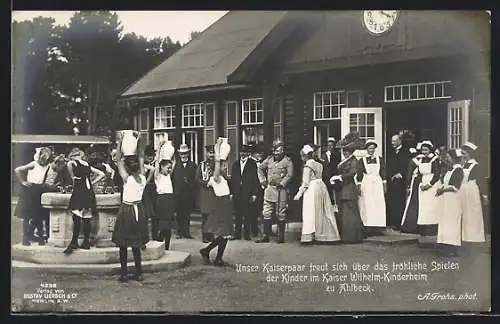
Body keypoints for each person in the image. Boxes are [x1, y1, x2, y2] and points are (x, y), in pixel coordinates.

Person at [112, 134, 150, 282]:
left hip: (127, 210)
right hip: (138, 210)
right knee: (135, 244)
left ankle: (123, 273)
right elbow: (141, 157)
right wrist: (140, 142)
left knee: (123, 244)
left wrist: (120, 141)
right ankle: (138, 273)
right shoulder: (143, 178)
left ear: (127, 168)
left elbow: (117, 159)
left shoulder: (126, 179)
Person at [294, 145, 340, 244]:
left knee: (310, 211)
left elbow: (305, 182)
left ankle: (309, 236)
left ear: (305, 156)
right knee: (321, 211)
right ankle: (322, 234)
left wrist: (299, 194)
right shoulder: (319, 164)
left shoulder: (308, 165)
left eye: (302, 156)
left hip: (312, 188)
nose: (302, 158)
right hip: (321, 186)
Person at [63, 148, 106, 254]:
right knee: (87, 216)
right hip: (89, 191)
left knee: (77, 216)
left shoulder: (72, 163)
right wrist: (93, 182)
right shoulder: (87, 165)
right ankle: (86, 242)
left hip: (79, 191)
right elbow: (102, 174)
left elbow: (73, 178)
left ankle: (74, 241)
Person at [199, 138, 234, 266]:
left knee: (226, 235)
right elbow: (218, 161)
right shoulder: (216, 178)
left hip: (225, 204)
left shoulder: (223, 178)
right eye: (223, 165)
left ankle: (212, 254)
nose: (225, 166)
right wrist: (218, 147)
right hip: (221, 206)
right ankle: (209, 252)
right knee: (224, 234)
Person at [256, 140, 294, 243]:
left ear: (283, 150)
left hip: (281, 190)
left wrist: (283, 183)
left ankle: (280, 236)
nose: (277, 153)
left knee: (280, 213)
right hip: (269, 189)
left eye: (279, 150)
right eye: (275, 150)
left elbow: (290, 174)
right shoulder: (269, 160)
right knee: (266, 212)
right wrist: (263, 181)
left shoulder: (287, 161)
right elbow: (260, 169)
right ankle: (266, 236)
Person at [14, 147, 53, 246]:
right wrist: (23, 181)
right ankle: (25, 238)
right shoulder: (33, 164)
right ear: (40, 157)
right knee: (27, 216)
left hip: (38, 190)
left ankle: (39, 238)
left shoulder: (48, 166)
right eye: (43, 158)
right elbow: (17, 170)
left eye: (47, 158)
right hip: (28, 190)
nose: (44, 160)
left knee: (38, 216)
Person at [401, 141, 440, 236]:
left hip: (432, 184)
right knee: (423, 206)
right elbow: (418, 172)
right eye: (423, 150)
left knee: (432, 206)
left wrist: (429, 184)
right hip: (422, 183)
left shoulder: (435, 159)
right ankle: (423, 227)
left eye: (426, 150)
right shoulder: (420, 159)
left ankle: (433, 228)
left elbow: (437, 174)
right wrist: (420, 183)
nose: (424, 152)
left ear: (430, 150)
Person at [330, 138, 364, 243]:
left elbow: (352, 173)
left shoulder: (354, 161)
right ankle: (346, 236)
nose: (345, 153)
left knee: (350, 213)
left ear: (351, 151)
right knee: (344, 213)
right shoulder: (345, 161)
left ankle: (353, 237)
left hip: (349, 188)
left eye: (347, 151)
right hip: (342, 188)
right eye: (344, 151)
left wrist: (340, 177)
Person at [436, 149, 464, 256]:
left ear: (453, 158)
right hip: (446, 199)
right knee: (445, 221)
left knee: (452, 222)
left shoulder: (458, 171)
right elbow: (446, 182)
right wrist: (441, 188)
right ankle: (445, 245)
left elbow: (455, 187)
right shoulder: (450, 170)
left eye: (448, 157)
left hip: (453, 199)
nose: (447, 159)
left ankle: (453, 247)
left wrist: (443, 190)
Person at [356, 140, 387, 236]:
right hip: (367, 183)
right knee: (368, 204)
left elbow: (383, 171)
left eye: (373, 148)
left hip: (377, 182)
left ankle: (378, 226)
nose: (371, 150)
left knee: (378, 203)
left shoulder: (379, 159)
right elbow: (360, 173)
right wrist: (359, 185)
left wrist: (384, 183)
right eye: (369, 148)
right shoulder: (362, 160)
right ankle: (368, 226)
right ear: (366, 149)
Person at [229, 144, 260, 240]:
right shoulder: (235, 164)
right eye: (242, 152)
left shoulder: (252, 164)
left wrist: (254, 193)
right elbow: (232, 180)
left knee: (247, 214)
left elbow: (255, 179)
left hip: (248, 192)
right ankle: (237, 234)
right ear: (239, 153)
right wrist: (231, 193)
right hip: (237, 193)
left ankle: (246, 235)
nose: (243, 154)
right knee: (238, 214)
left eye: (245, 152)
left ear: (248, 153)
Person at [460, 142, 485, 243]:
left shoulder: (475, 165)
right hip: (464, 189)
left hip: (472, 190)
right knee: (465, 213)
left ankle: (474, 236)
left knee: (473, 213)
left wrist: (484, 195)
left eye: (464, 153)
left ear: (470, 153)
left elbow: (480, 180)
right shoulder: (464, 165)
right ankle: (465, 235)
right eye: (462, 153)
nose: (463, 155)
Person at [154, 141, 176, 250]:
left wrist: (173, 151)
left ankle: (166, 247)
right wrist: (158, 148)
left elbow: (174, 162)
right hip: (162, 201)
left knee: (169, 228)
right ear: (162, 167)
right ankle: (159, 242)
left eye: (170, 168)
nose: (169, 169)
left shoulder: (168, 176)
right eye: (167, 167)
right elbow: (157, 162)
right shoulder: (158, 176)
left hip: (169, 200)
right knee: (163, 226)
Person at [172, 144, 197, 239]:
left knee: (187, 214)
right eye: (182, 154)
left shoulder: (193, 165)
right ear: (179, 154)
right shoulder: (176, 165)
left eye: (185, 153)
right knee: (179, 214)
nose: (184, 155)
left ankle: (186, 232)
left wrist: (189, 182)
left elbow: (195, 179)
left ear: (188, 154)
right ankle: (179, 232)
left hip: (188, 193)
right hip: (177, 193)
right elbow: (172, 178)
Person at [386, 134, 410, 231]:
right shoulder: (390, 152)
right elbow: (389, 165)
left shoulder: (406, 152)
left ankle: (400, 223)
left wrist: (401, 174)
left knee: (400, 202)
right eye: (392, 141)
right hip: (392, 180)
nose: (392, 143)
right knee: (392, 201)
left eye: (395, 141)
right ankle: (393, 221)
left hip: (401, 180)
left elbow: (407, 165)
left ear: (400, 141)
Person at [196, 145, 216, 243]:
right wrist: (206, 183)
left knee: (213, 216)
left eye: (213, 152)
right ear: (206, 153)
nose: (212, 154)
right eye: (210, 152)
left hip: (214, 193)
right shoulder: (202, 165)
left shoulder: (217, 165)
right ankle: (205, 235)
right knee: (205, 216)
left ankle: (211, 234)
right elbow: (197, 179)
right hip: (205, 193)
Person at [143, 146, 157, 243]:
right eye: (148, 156)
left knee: (155, 215)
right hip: (144, 191)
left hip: (154, 191)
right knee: (145, 215)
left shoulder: (156, 164)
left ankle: (155, 236)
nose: (150, 158)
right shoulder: (141, 166)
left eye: (151, 156)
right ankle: (144, 236)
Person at [250, 143, 265, 237]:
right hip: (254, 190)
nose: (260, 155)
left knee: (262, 210)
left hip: (261, 189)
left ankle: (264, 230)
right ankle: (254, 230)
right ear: (254, 153)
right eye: (259, 153)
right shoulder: (250, 163)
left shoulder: (260, 162)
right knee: (253, 212)